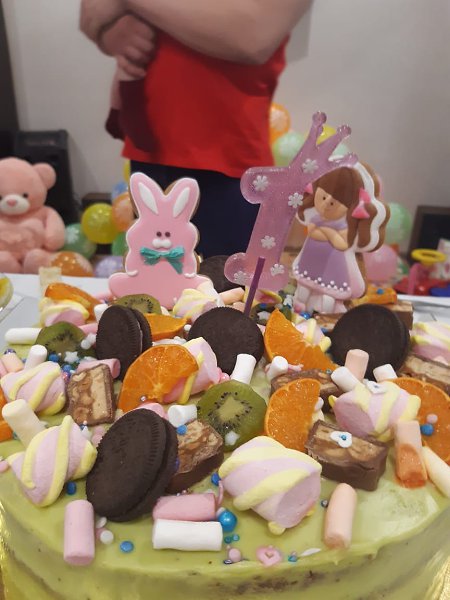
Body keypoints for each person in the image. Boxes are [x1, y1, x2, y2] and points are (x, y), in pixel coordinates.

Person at [80, 0, 309, 257]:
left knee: (223, 278)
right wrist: (112, 33)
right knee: (154, 275)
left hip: (227, 161)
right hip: (151, 149)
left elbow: (254, 36)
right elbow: (91, 12)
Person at [292, 164, 389, 314]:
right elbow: (312, 232)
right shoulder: (316, 218)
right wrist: (331, 234)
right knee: (304, 285)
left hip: (333, 267)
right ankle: (300, 303)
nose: (325, 204)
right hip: (310, 261)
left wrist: (326, 232)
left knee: (329, 294)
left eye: (332, 203)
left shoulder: (345, 226)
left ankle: (326, 310)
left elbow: (342, 244)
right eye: (323, 197)